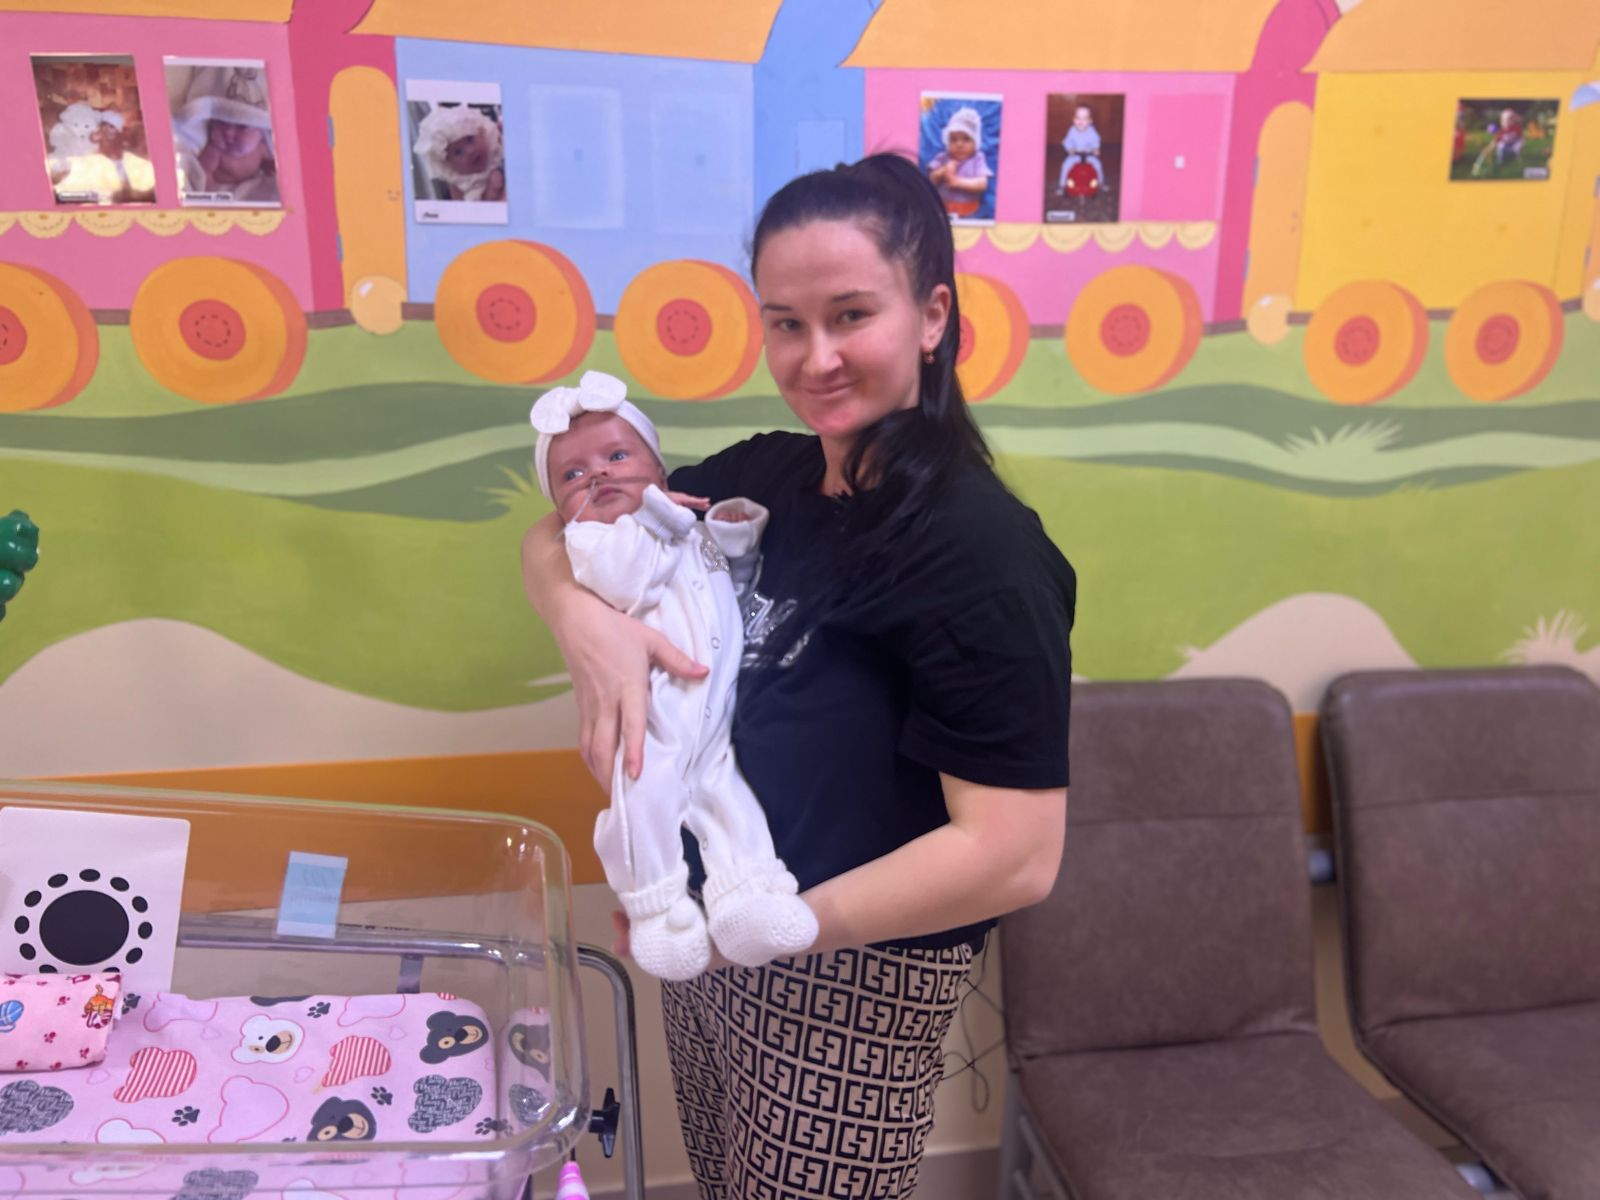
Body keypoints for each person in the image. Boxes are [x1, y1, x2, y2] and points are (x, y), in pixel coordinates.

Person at [522, 153, 1073, 1199]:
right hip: (711, 940)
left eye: (850, 315)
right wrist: (581, 624)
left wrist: (778, 932)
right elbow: (565, 528)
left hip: (851, 973)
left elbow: (1014, 856)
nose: (815, 357)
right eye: (786, 322)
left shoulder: (980, 555)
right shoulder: (765, 474)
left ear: (931, 315)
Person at [529, 369, 818, 982]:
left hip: (714, 707)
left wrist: (736, 542)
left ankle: (749, 892)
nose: (598, 475)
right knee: (646, 797)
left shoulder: (685, 525)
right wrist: (660, 517)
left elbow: (726, 589)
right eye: (572, 475)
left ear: (661, 471)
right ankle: (657, 908)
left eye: (616, 456)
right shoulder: (595, 543)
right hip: (656, 707)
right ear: (561, 509)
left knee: (725, 796)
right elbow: (627, 578)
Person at [171, 65, 279, 204]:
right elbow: (205, 171)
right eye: (221, 123)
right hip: (223, 187)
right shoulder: (216, 151)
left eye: (241, 127)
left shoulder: (263, 148)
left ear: (261, 133)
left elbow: (273, 165)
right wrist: (210, 189)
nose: (228, 132)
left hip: (251, 184)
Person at [412, 105, 506, 202]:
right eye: (458, 152)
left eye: (470, 139)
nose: (470, 151)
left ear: (481, 132)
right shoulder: (466, 183)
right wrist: (492, 190)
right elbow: (479, 205)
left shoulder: (496, 143)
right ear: (448, 164)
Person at [925, 106, 993, 218]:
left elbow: (982, 184)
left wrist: (957, 182)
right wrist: (943, 171)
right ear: (947, 141)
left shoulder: (977, 158)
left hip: (970, 211)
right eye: (953, 139)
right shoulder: (943, 157)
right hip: (943, 210)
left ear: (975, 143)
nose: (959, 144)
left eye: (966, 139)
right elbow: (931, 180)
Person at [1057, 103, 1105, 195]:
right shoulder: (1072, 130)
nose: (1080, 121)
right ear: (1073, 120)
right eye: (1078, 118)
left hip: (1089, 155)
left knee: (1098, 164)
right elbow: (1067, 141)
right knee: (1066, 165)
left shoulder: (1092, 131)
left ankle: (1100, 183)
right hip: (1075, 155)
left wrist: (1095, 148)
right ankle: (1062, 185)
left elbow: (1096, 140)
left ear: (1090, 121)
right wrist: (1070, 149)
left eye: (1084, 118)